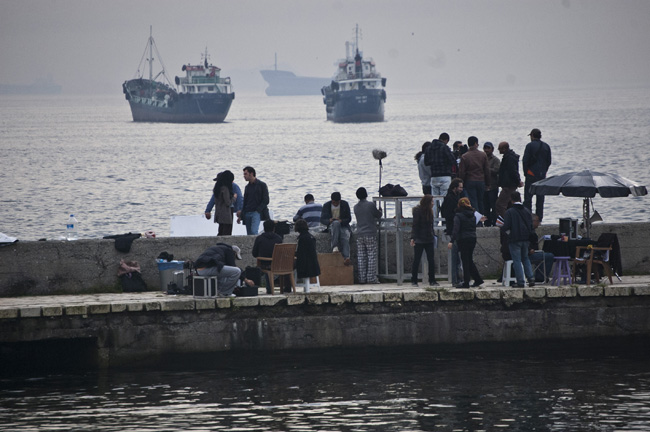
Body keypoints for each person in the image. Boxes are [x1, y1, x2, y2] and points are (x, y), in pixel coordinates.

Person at [500, 191, 535, 288]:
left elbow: (506, 226)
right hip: (526, 239)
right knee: (525, 258)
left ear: (511, 200)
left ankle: (520, 281)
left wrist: (501, 227)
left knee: (517, 260)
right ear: (520, 199)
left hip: (515, 239)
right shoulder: (527, 211)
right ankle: (531, 278)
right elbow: (531, 226)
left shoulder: (510, 212)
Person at [448, 197, 484, 288]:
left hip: (463, 239)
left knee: (465, 260)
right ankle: (478, 279)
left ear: (459, 205)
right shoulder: (473, 215)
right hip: (472, 238)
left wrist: (452, 240)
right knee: (469, 260)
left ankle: (466, 282)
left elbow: (456, 229)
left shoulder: (458, 215)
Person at [353, 187, 382, 284]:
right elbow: (378, 215)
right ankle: (371, 279)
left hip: (360, 234)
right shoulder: (370, 205)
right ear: (366, 194)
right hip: (370, 233)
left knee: (361, 257)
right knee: (371, 256)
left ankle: (362, 278)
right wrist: (380, 210)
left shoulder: (355, 207)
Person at [522, 128, 552, 221]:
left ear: (532, 135)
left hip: (531, 174)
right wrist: (544, 171)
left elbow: (525, 160)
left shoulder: (529, 146)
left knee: (528, 198)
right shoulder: (546, 146)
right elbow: (549, 161)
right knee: (540, 199)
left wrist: (525, 173)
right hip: (542, 176)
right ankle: (539, 219)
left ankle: (528, 218)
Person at [410, 195, 439, 287]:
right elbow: (415, 225)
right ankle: (414, 280)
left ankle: (432, 280)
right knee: (417, 260)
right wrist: (413, 238)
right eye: (432, 202)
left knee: (431, 260)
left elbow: (430, 226)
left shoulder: (429, 211)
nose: (433, 203)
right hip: (420, 239)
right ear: (428, 202)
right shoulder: (418, 211)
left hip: (429, 238)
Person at [440, 178, 465, 285]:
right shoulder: (450, 198)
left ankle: (458, 278)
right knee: (455, 257)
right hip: (453, 229)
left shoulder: (455, 197)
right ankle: (456, 280)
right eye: (460, 187)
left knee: (457, 257)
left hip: (454, 228)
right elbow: (446, 213)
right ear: (455, 187)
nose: (461, 189)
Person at [459, 136, 490, 217]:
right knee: (481, 201)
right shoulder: (483, 155)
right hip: (481, 181)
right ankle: (482, 218)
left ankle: (477, 220)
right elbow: (487, 170)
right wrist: (488, 183)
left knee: (473, 201)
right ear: (476, 143)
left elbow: (462, 172)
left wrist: (461, 183)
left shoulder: (465, 156)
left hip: (470, 181)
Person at [320, 191, 352, 265]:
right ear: (332, 201)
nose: (335, 204)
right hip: (332, 225)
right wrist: (329, 221)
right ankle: (335, 246)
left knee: (345, 237)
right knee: (336, 223)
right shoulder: (326, 205)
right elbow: (322, 219)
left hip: (343, 225)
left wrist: (342, 221)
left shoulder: (345, 204)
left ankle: (346, 257)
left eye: (337, 203)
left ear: (340, 201)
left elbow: (349, 218)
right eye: (334, 203)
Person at [252, 219, 283, 293]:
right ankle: (285, 289)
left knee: (263, 266)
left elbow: (254, 253)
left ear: (264, 228)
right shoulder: (279, 239)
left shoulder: (259, 238)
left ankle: (266, 289)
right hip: (278, 264)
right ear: (273, 228)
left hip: (264, 264)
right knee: (270, 263)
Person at [237, 166, 269, 235]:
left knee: (254, 232)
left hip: (256, 212)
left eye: (245, 174)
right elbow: (245, 202)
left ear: (251, 174)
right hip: (247, 213)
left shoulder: (262, 185)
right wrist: (241, 215)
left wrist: (258, 210)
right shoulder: (247, 187)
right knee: (249, 234)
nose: (244, 176)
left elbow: (266, 200)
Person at [495, 141, 523, 218]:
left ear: (504, 149)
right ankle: (514, 219)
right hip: (510, 184)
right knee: (510, 204)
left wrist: (518, 181)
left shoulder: (509, 158)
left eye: (500, 148)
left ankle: (504, 220)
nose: (498, 150)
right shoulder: (509, 157)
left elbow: (513, 171)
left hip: (509, 185)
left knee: (500, 204)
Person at [424, 132, 456, 196]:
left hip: (434, 176)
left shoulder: (429, 148)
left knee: (435, 198)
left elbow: (426, 162)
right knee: (444, 197)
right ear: (446, 140)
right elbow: (453, 160)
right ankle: (444, 206)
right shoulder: (445, 147)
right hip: (445, 175)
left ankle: (435, 206)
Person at [529, 214, 554, 282]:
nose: (539, 223)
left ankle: (540, 276)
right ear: (533, 221)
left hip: (529, 253)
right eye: (538, 221)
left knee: (543, 255)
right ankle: (541, 277)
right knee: (550, 256)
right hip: (529, 255)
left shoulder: (528, 230)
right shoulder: (530, 232)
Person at [294, 219, 321, 284]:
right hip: (314, 265)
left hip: (305, 267)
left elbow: (300, 253)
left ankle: (288, 287)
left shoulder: (301, 238)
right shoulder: (311, 237)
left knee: (287, 267)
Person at [483, 142, 500, 227]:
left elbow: (497, 170)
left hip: (493, 186)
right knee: (485, 207)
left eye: (488, 148)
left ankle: (494, 222)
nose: (486, 150)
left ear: (492, 149)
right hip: (484, 186)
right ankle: (487, 222)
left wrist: (487, 169)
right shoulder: (481, 159)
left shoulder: (495, 160)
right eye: (485, 148)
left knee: (494, 206)